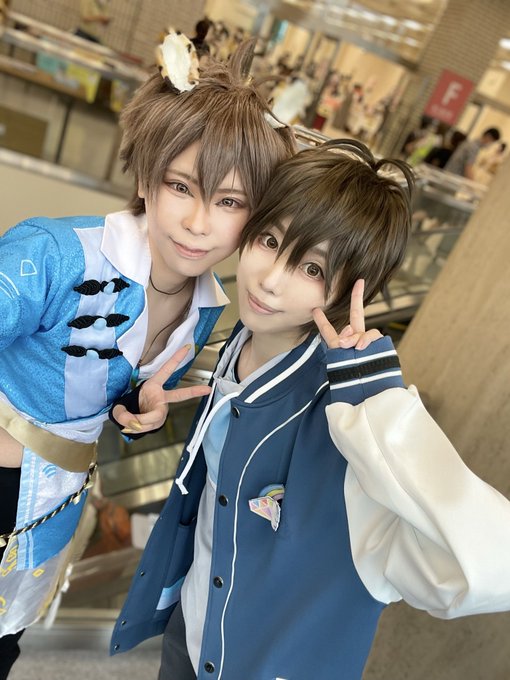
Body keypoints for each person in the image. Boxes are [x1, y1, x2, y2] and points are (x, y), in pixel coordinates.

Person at [111, 139, 510, 679]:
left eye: (313, 270)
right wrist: (144, 415)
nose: (271, 280)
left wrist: (375, 403)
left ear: (351, 291)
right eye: (270, 241)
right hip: (193, 632)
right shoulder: (238, 346)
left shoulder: (349, 426)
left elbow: (495, 563)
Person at [0, 34, 295, 679]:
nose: (199, 222)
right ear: (145, 178)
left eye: (229, 202)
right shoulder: (53, 254)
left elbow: (115, 394)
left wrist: (139, 409)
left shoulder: (207, 307)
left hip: (52, 507)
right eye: (181, 186)